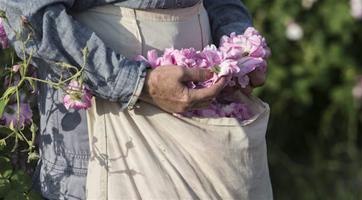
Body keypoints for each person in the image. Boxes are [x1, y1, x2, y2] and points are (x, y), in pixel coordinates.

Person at [0, 0, 270, 199]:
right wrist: (138, 83)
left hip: (203, 126)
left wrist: (240, 43)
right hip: (107, 142)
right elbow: (25, 12)